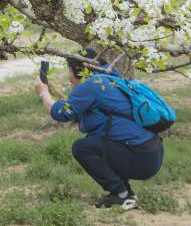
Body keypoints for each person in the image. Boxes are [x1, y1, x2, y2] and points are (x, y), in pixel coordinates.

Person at [33, 49, 164, 210]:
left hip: (140, 158)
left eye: (69, 71)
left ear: (78, 71)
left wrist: (44, 93)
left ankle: (121, 194)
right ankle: (126, 193)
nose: (69, 78)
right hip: (151, 154)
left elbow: (61, 113)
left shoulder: (92, 86)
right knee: (93, 141)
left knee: (82, 148)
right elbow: (78, 111)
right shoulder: (110, 78)